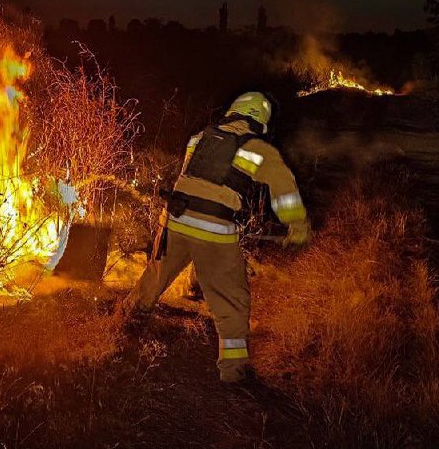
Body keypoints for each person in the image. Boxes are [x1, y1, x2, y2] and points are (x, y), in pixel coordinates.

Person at [124, 92, 310, 383]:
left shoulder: (199, 138)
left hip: (174, 220)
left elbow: (195, 180)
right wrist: (297, 227)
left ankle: (124, 325)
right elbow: (284, 189)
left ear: (234, 111)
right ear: (261, 121)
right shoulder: (260, 149)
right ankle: (234, 372)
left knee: (154, 278)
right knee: (232, 303)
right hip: (213, 231)